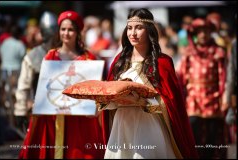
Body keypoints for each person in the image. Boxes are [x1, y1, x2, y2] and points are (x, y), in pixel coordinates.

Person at [100, 8, 199, 159]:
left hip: (149, 127)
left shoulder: (162, 62)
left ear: (149, 31)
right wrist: (107, 100)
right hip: (122, 126)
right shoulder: (119, 62)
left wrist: (141, 101)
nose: (132, 33)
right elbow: (109, 97)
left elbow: (171, 103)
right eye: (130, 28)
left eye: (139, 28)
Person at [19, 10, 106, 159]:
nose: (66, 33)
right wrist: (35, 103)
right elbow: (45, 87)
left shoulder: (88, 58)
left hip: (80, 121)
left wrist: (94, 106)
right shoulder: (51, 55)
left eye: (70, 29)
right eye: (63, 29)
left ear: (78, 32)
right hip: (53, 118)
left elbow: (97, 90)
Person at [176, 18, 228, 158]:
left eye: (206, 31)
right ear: (195, 34)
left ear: (210, 32)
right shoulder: (189, 52)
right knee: (194, 132)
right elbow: (181, 76)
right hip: (193, 98)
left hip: (213, 97)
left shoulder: (218, 52)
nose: (203, 35)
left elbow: (224, 77)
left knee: (212, 134)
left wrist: (224, 98)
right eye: (200, 32)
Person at [14, 11, 58, 134]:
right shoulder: (33, 56)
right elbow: (24, 85)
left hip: (65, 111)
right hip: (41, 110)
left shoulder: (65, 53)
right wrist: (20, 110)